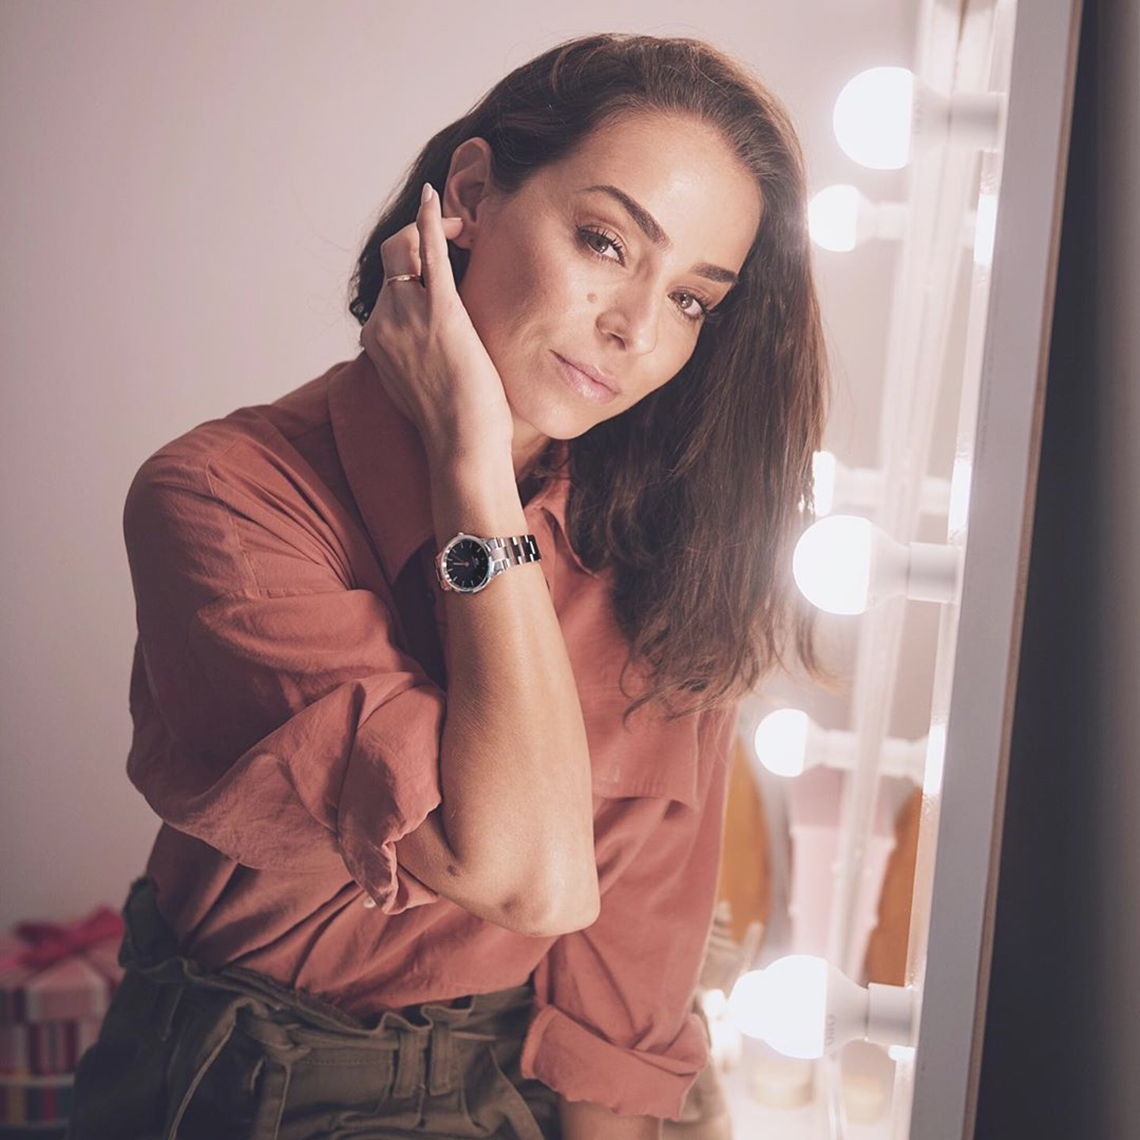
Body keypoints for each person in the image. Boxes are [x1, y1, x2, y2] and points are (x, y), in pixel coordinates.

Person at [67, 30, 829, 1140]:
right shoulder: (221, 500)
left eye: (692, 301)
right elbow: (524, 875)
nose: (634, 330)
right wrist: (472, 470)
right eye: (607, 242)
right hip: (257, 1075)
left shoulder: (674, 553)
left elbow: (626, 1000)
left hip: (516, 1069)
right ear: (468, 193)